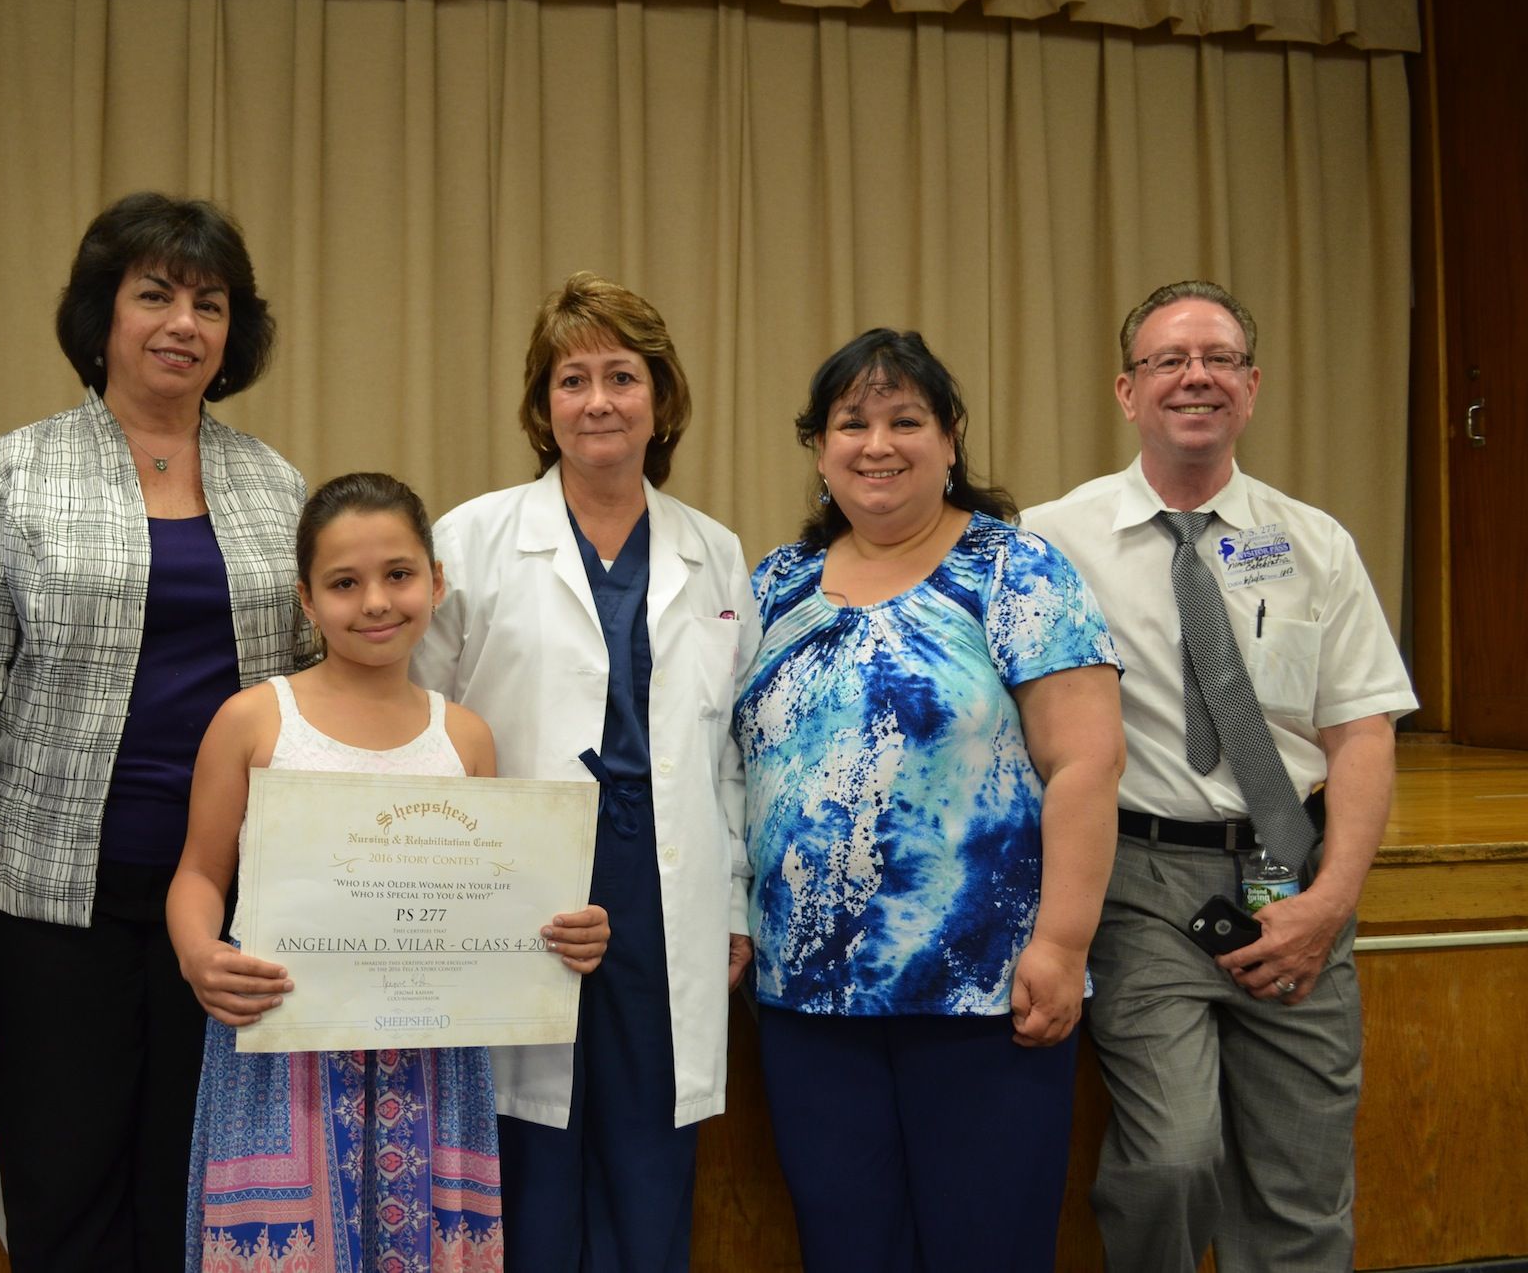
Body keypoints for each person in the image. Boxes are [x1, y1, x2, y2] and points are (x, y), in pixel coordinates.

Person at [0, 193, 311, 1271]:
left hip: (225, 908)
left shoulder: (276, 487)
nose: (182, 321)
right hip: (46, 908)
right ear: (101, 317)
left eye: (208, 302)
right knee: (64, 1197)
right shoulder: (11, 471)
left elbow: (313, 700)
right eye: (154, 294)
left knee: (197, 1198)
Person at [1021, 280, 1417, 1272]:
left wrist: (1326, 901)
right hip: (1139, 884)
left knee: (1300, 1191)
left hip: (1288, 871)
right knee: (1171, 1158)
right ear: (1124, 390)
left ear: (1249, 385)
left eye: (1217, 359)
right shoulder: (1049, 542)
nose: (1193, 376)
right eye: (1167, 360)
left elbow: (1359, 731)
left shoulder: (1312, 544)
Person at [732, 329, 1125, 1273]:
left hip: (986, 994)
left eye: (906, 419)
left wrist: (1063, 943)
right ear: (819, 450)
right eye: (852, 422)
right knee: (844, 1249)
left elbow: (1086, 763)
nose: (879, 442)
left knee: (984, 1249)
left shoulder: (1015, 570)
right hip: (806, 1001)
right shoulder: (772, 585)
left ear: (950, 441)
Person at [168, 471, 610, 1271]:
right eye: (344, 583)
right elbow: (199, 873)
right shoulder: (256, 719)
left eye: (399, 575)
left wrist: (564, 928)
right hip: (282, 1049)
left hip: (434, 1062)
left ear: (437, 583)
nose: (375, 601)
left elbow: (496, 905)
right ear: (306, 599)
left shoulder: (467, 737)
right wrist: (200, 954)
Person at [411, 273, 759, 1273]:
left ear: (661, 398)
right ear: (541, 403)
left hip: (665, 886)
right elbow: (419, 724)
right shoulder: (470, 540)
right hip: (513, 882)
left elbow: (730, 750)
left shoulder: (713, 551)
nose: (598, 399)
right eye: (573, 378)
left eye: (621, 375)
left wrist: (731, 902)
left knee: (651, 1147)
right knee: (527, 1147)